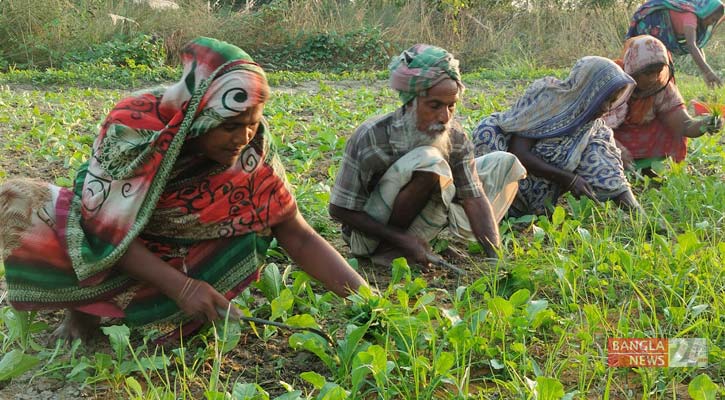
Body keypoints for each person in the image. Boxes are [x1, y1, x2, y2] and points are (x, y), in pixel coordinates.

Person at [0, 37, 366, 343]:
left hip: (181, 246)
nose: (243, 138)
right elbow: (103, 228)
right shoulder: (134, 126)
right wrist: (183, 288)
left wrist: (366, 300)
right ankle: (83, 315)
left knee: (257, 225)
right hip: (112, 237)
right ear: (198, 115)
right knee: (23, 202)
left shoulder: (252, 148)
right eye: (230, 126)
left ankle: (170, 315)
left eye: (252, 125)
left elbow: (296, 233)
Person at [328, 44, 526, 266]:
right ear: (411, 102)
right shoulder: (372, 137)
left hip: (426, 221)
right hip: (370, 237)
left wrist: (495, 256)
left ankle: (424, 242)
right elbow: (339, 209)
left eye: (451, 106)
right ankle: (390, 251)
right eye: (435, 106)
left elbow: (473, 196)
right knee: (430, 161)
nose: (444, 116)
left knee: (504, 162)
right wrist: (402, 240)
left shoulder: (455, 136)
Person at [472, 56, 644, 217]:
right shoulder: (547, 100)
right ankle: (488, 209)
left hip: (540, 200)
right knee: (488, 131)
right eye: (604, 99)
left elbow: (609, 172)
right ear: (588, 90)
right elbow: (518, 152)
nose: (607, 108)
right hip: (508, 182)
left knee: (599, 145)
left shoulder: (593, 129)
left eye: (612, 101)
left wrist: (639, 215)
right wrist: (569, 179)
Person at [605, 35, 724, 174]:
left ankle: (647, 168)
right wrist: (616, 148)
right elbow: (593, 126)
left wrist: (705, 123)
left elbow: (684, 125)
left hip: (647, 149)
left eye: (659, 71)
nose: (654, 78)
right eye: (648, 73)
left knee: (670, 129)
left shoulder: (662, 88)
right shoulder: (612, 83)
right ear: (633, 69)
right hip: (610, 143)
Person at [626, 0, 725, 88]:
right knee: (646, 67)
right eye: (712, 19)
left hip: (659, 40)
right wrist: (708, 72)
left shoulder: (699, 22)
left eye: (714, 21)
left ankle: (665, 93)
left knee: (664, 68)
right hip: (648, 28)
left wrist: (705, 72)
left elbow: (698, 47)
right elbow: (692, 45)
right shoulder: (690, 16)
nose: (711, 23)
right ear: (706, 12)